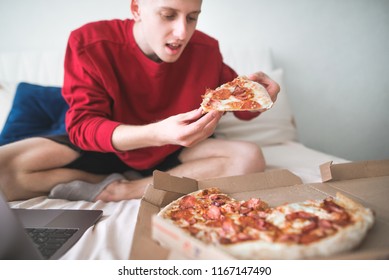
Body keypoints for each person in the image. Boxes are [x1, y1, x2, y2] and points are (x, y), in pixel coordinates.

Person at [0, 0, 280, 202]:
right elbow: (83, 127)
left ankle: (128, 189)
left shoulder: (206, 49)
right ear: (136, 9)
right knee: (4, 168)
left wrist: (260, 95)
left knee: (249, 157)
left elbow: (240, 110)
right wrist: (158, 132)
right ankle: (97, 180)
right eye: (168, 15)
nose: (182, 32)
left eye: (192, 17)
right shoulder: (90, 42)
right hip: (105, 144)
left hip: (176, 150)